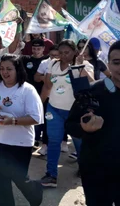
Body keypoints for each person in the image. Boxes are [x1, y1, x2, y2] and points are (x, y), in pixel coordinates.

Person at [65, 40, 120, 206]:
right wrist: (83, 128)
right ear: (109, 64)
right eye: (117, 62)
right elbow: (70, 125)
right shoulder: (92, 91)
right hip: (97, 172)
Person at [0, 54, 44, 206]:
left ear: (18, 70)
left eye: (9, 69)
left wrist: (13, 121)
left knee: (20, 178)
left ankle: (35, 191)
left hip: (20, 143)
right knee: (1, 179)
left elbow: (36, 118)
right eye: (2, 68)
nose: (4, 72)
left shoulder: (27, 90)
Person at [39, 39, 94, 188]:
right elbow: (48, 86)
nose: (63, 56)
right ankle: (51, 175)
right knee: (53, 141)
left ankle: (85, 169)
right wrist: (39, 104)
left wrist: (79, 67)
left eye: (67, 52)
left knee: (79, 143)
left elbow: (92, 84)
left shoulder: (84, 65)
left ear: (75, 52)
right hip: (54, 109)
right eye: (61, 52)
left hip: (75, 113)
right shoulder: (53, 64)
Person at [34, 45, 69, 155]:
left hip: (65, 100)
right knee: (47, 122)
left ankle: (63, 141)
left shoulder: (69, 65)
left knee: (64, 123)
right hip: (49, 98)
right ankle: (45, 145)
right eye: (51, 55)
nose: (54, 57)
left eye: (56, 55)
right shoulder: (46, 63)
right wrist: (44, 78)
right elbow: (36, 77)